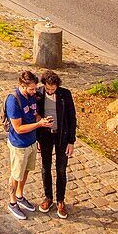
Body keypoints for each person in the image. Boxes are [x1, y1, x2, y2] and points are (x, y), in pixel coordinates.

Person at [5, 69, 55, 221]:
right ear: (22, 85)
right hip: (19, 144)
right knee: (16, 174)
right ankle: (12, 202)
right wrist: (39, 124)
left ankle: (20, 195)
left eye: (35, 88)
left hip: (31, 142)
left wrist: (42, 119)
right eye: (31, 89)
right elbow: (18, 128)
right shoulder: (14, 100)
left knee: (26, 171)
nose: (35, 91)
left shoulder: (32, 97)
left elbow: (35, 114)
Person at [36, 70, 77, 219]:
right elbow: (35, 116)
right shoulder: (39, 94)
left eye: (53, 89)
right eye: (48, 88)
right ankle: (48, 198)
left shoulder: (65, 95)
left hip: (62, 137)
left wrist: (71, 141)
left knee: (61, 169)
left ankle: (61, 200)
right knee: (45, 168)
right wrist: (37, 138)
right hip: (45, 136)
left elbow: (72, 119)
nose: (50, 91)